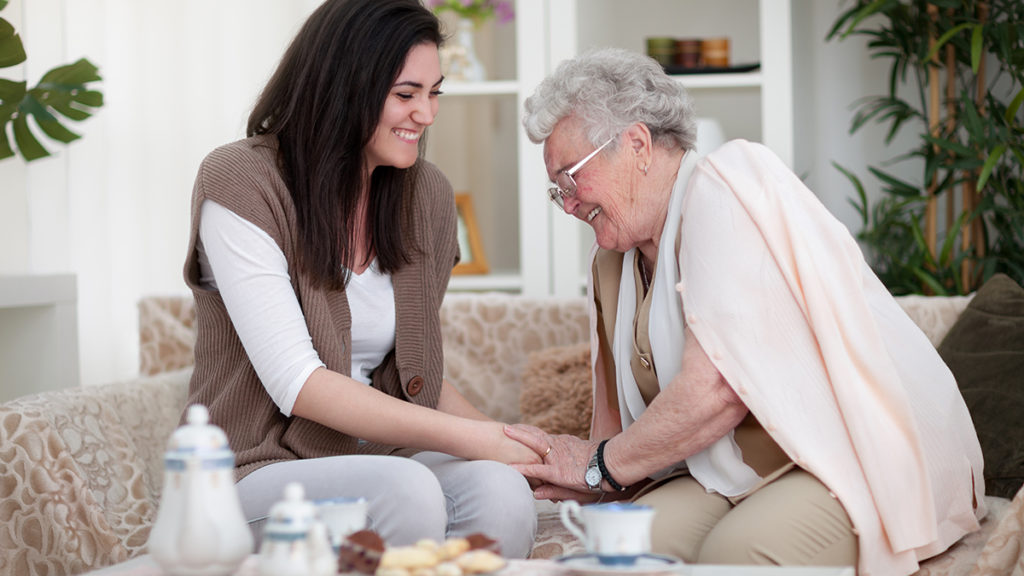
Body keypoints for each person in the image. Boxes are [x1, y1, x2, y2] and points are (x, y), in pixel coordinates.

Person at [505, 47, 986, 575]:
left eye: (571, 178)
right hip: (722, 471)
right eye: (558, 191)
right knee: (630, 551)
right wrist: (571, 477)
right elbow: (610, 431)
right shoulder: (611, 263)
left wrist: (599, 467)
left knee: (736, 559)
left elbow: (716, 390)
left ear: (637, 144)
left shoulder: (723, 190)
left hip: (835, 455)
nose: (569, 203)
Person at [180, 0, 538, 557]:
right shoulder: (242, 181)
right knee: (406, 490)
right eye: (405, 94)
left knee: (501, 490)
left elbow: (415, 374)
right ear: (344, 86)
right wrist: (478, 440)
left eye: (433, 92)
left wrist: (520, 448)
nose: (427, 114)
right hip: (257, 468)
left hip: (379, 458)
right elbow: (297, 382)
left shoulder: (426, 195)